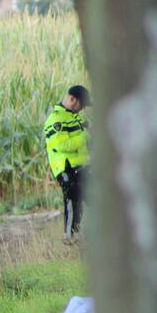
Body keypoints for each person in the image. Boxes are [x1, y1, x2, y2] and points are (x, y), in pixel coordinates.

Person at [44, 85, 91, 243]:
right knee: (72, 198)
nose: (82, 109)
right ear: (72, 100)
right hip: (65, 167)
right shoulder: (56, 120)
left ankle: (78, 234)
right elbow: (63, 145)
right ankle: (69, 236)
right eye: (82, 105)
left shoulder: (74, 118)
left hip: (81, 166)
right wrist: (85, 135)